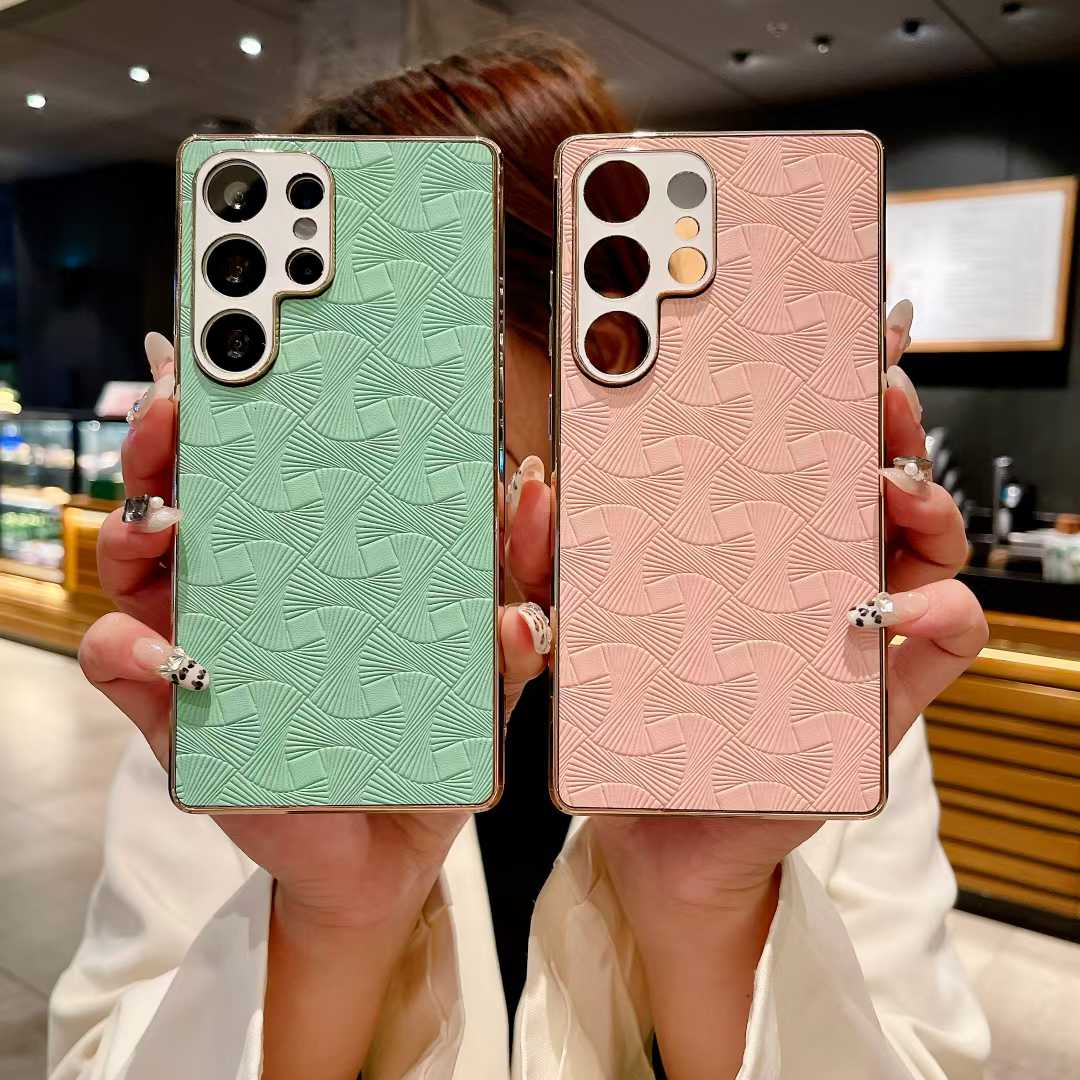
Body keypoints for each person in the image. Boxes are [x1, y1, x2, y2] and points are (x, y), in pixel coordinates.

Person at [52, 33, 990, 1080]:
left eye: (413, 330)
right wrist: (331, 924)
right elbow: (100, 1051)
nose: (359, 409)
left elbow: (922, 1053)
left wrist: (708, 909)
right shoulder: (241, 669)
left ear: (606, 335)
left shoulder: (812, 671)